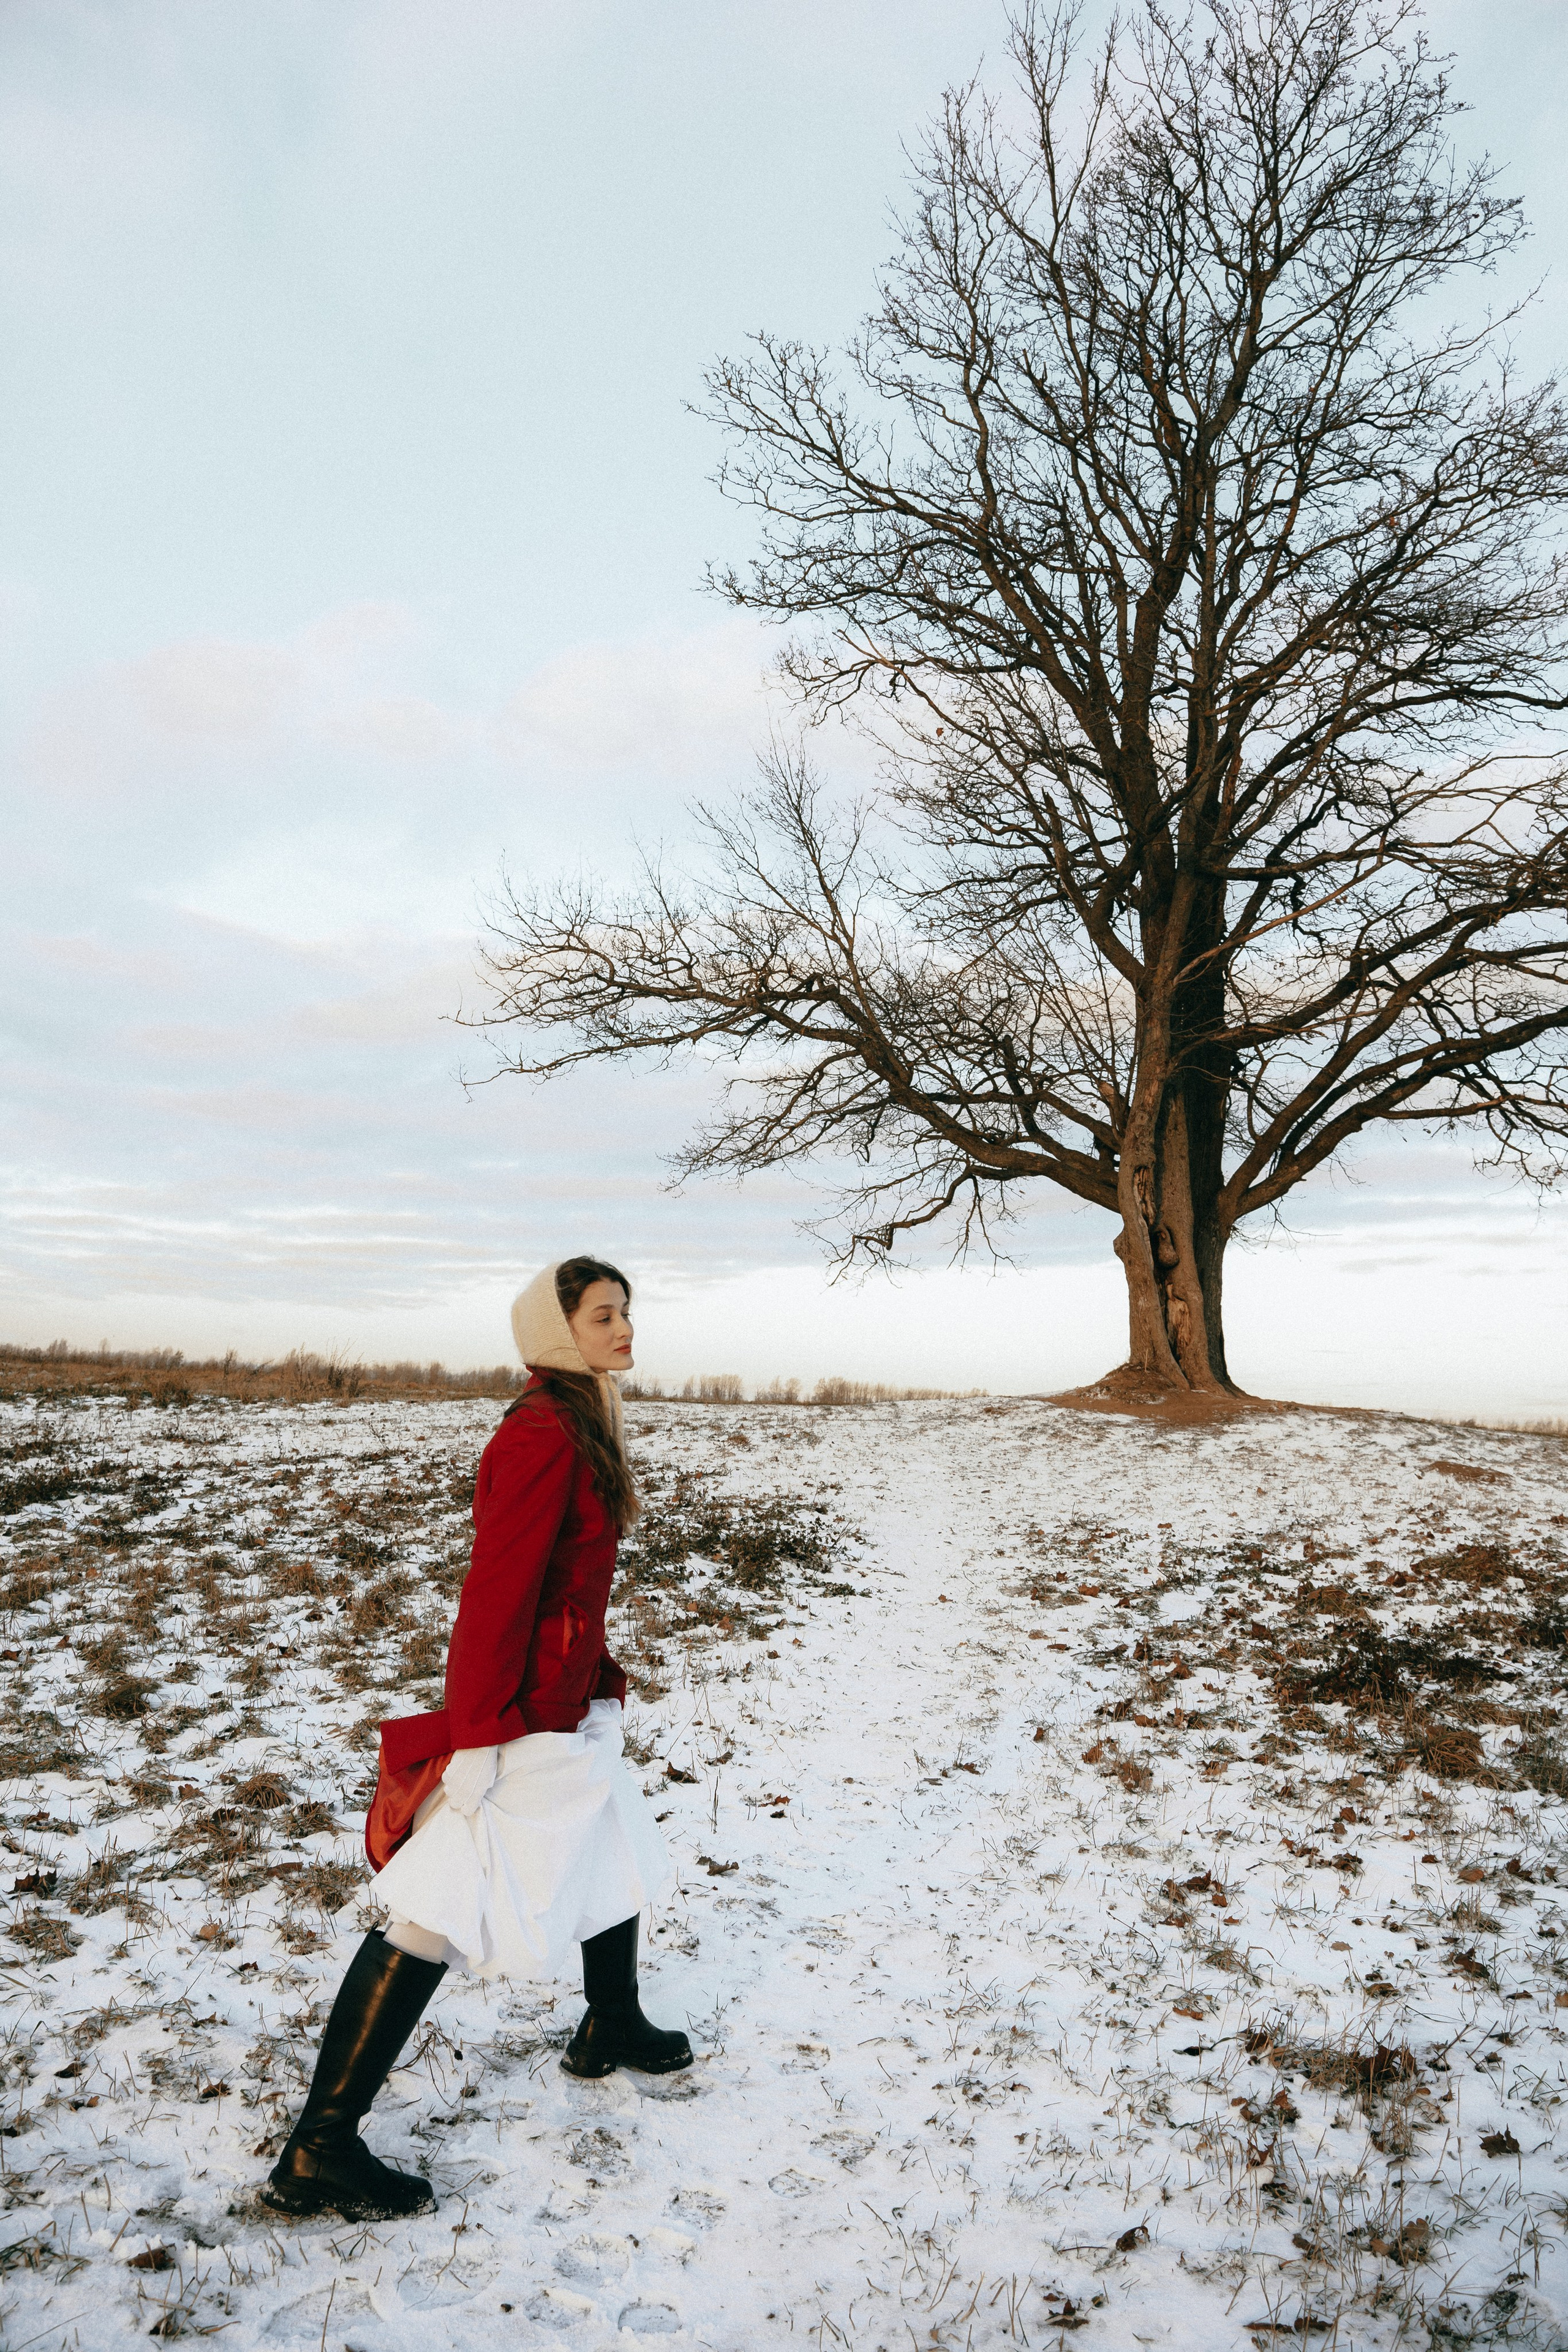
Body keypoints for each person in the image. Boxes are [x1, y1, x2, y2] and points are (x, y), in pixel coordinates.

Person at [263, 1256, 690, 2222]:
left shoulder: (583, 1419)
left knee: (612, 1834)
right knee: (436, 1905)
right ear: (557, 1328)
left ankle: (610, 2020)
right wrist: (482, 1736)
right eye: (605, 1315)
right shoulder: (542, 1435)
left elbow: (566, 1586)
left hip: (564, 1701)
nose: (627, 1331)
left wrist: (598, 1670)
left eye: (628, 1313)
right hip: (522, 1718)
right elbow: (495, 1599)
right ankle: (319, 2149)